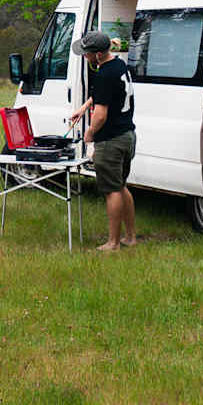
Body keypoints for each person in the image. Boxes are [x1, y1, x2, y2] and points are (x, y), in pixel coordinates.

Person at [67, 30, 137, 251]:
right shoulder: (118, 66)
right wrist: (84, 107)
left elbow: (101, 115)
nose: (85, 56)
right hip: (127, 136)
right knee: (121, 186)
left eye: (87, 53)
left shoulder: (104, 73)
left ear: (97, 54)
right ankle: (130, 237)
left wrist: (89, 134)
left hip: (111, 140)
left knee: (112, 191)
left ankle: (113, 243)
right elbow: (104, 95)